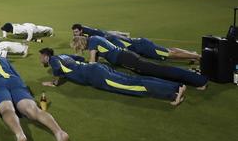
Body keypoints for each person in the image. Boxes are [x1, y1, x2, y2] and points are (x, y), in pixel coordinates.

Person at [38, 48, 186, 106]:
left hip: (96, 75)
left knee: (134, 86)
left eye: (41, 57)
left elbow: (57, 76)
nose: (40, 60)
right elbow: (80, 59)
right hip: (97, 68)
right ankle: (176, 86)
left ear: (46, 56)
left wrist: (53, 84)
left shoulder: (54, 61)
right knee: (134, 80)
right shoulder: (62, 55)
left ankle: (173, 94)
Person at [71, 35, 208, 89]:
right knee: (158, 71)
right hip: (128, 56)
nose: (80, 49)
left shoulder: (92, 44)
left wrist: (81, 66)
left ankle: (199, 80)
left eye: (78, 47)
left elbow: (92, 63)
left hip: (127, 59)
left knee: (160, 70)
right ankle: (192, 79)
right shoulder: (94, 38)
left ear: (80, 44)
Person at [105, 34, 201, 61]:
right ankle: (192, 53)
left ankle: (197, 57)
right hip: (140, 42)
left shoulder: (110, 41)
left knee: (170, 54)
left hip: (143, 47)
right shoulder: (109, 36)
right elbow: (125, 35)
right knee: (170, 50)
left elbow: (123, 50)